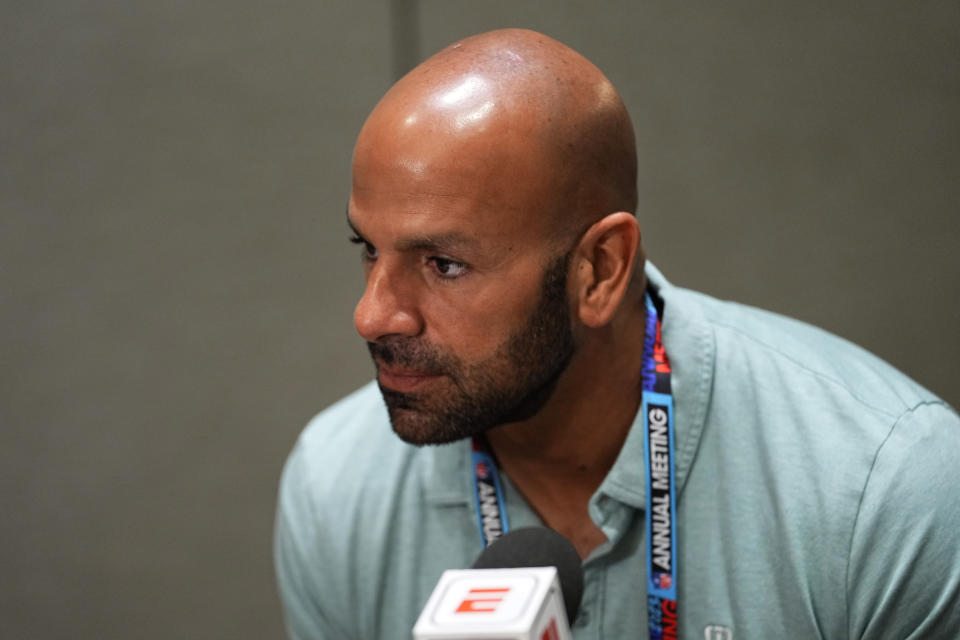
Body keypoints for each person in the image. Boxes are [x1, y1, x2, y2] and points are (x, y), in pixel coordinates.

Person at [274, 28, 960, 639]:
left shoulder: (887, 491)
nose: (372, 314)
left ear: (599, 270)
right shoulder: (339, 486)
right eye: (367, 247)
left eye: (444, 264)